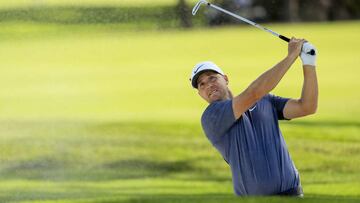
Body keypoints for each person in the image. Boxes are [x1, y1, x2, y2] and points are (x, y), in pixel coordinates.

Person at [189, 38, 318, 196]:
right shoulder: (211, 117)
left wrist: (309, 62)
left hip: (293, 194)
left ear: (226, 79)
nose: (208, 85)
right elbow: (254, 93)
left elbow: (307, 106)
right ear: (200, 93)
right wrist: (291, 56)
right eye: (201, 84)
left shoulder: (265, 100)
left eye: (212, 78)